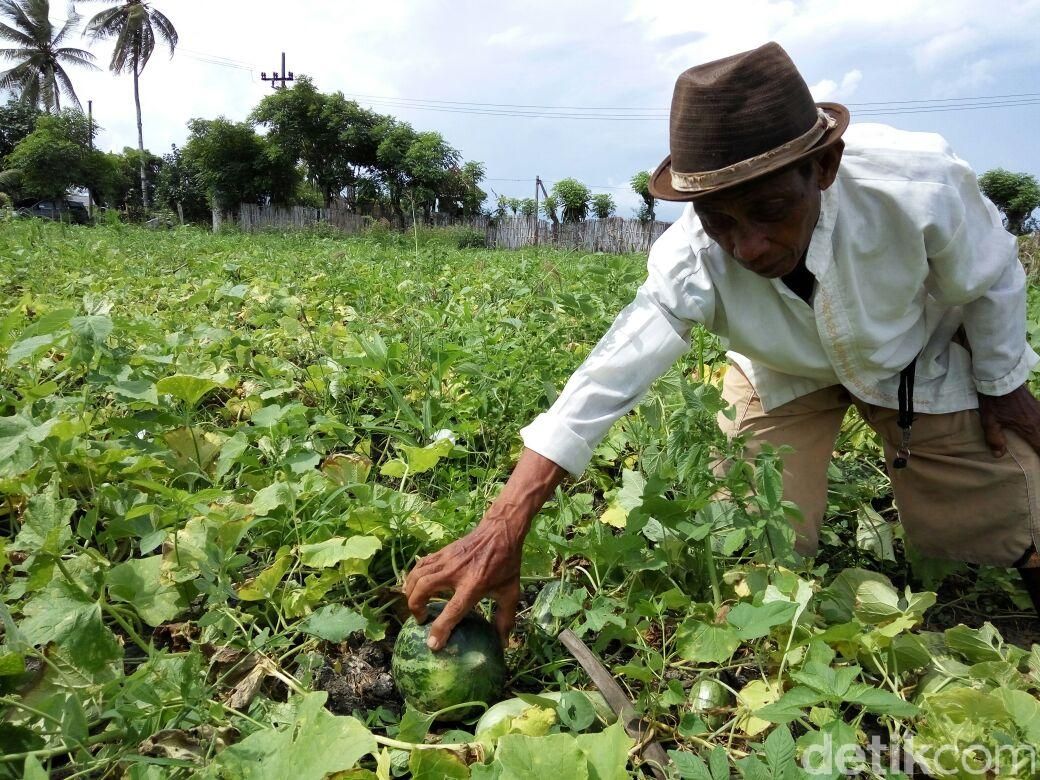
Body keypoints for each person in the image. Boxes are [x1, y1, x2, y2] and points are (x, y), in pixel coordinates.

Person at [405, 42, 1040, 651]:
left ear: (823, 166)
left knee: (1006, 522)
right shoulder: (691, 257)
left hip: (911, 356)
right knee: (750, 545)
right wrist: (504, 522)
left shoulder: (916, 184)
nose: (749, 247)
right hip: (779, 371)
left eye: (769, 209)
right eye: (720, 220)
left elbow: (992, 277)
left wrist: (1004, 386)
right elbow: (607, 378)